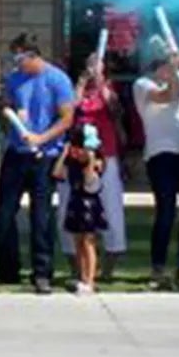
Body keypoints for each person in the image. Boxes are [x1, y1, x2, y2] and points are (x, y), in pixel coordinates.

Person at [0, 35, 75, 296]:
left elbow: (66, 119)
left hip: (45, 155)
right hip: (16, 153)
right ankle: (7, 270)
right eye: (13, 59)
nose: (16, 64)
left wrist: (41, 138)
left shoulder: (57, 79)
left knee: (41, 216)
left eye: (19, 59)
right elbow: (8, 111)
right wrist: (2, 111)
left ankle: (42, 272)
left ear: (33, 55)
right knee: (5, 213)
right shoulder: (14, 79)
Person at [134, 38, 179, 292]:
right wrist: (176, 73)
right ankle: (158, 267)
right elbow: (166, 96)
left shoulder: (178, 79)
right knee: (166, 210)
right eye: (165, 66)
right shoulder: (142, 85)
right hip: (160, 153)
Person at [69, 50, 128, 280]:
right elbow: (70, 108)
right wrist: (82, 83)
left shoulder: (109, 90)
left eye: (97, 64)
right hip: (79, 155)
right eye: (89, 63)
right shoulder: (80, 89)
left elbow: (114, 109)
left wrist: (101, 83)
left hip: (106, 153)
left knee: (111, 206)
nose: (92, 67)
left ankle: (111, 259)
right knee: (74, 208)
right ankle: (77, 263)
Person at [60, 118, 108, 294]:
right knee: (77, 242)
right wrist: (64, 154)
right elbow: (57, 174)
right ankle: (81, 275)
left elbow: (90, 183)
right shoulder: (72, 162)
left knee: (88, 242)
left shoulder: (96, 163)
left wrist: (90, 161)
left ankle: (90, 279)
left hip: (89, 204)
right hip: (76, 203)